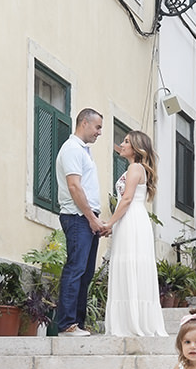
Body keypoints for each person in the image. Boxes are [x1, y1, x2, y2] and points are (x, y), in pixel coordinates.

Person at [101, 130, 169, 339]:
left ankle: (130, 322)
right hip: (134, 219)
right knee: (130, 266)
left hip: (130, 219)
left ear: (136, 148)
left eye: (127, 142)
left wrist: (109, 223)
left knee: (129, 265)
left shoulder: (134, 168)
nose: (122, 144)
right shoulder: (139, 168)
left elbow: (127, 198)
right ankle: (134, 320)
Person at [55, 108, 108, 336]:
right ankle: (67, 325)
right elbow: (74, 187)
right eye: (97, 127)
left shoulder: (84, 151)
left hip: (86, 218)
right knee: (75, 269)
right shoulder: (72, 149)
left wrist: (95, 218)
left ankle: (77, 324)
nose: (99, 133)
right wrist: (90, 218)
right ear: (84, 123)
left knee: (85, 273)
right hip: (77, 218)